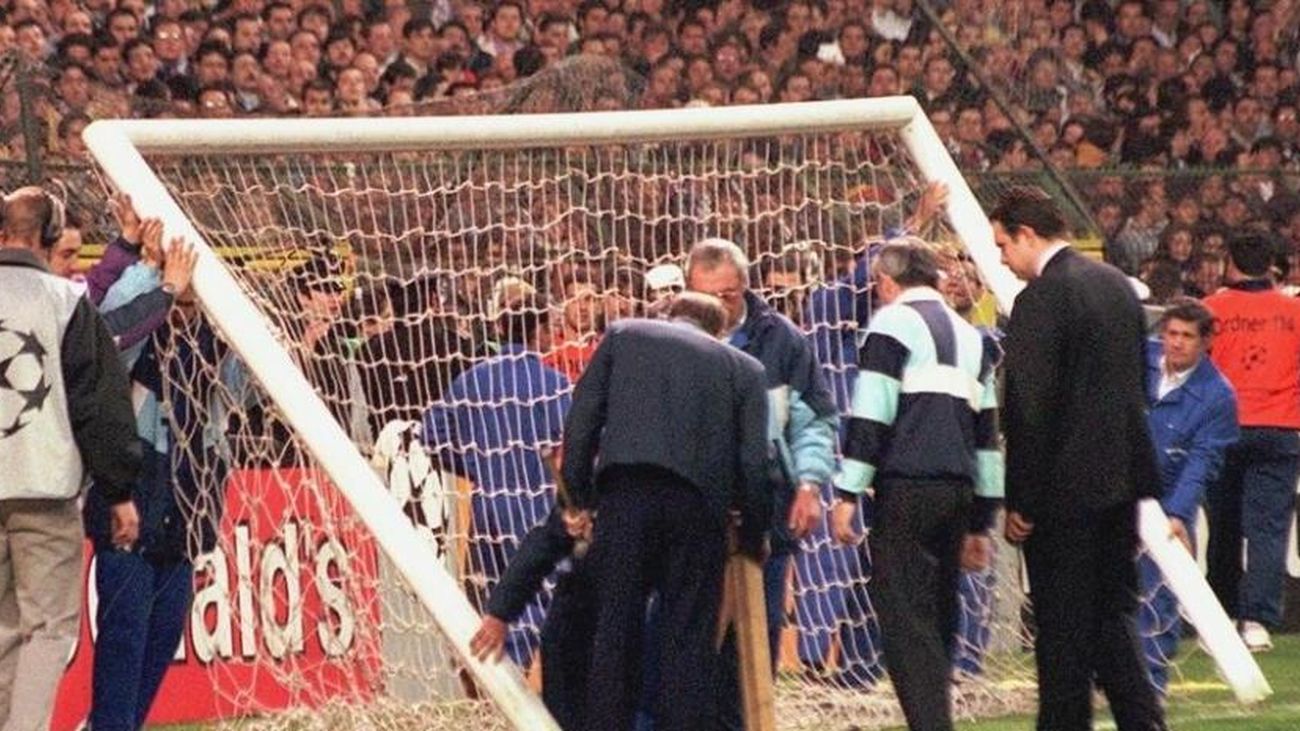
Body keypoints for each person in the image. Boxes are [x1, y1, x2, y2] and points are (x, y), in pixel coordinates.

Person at [991, 185, 1166, 731]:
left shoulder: (1041, 298)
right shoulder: (1118, 287)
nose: (1001, 257)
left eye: (1003, 244)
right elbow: (1139, 386)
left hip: (1064, 497)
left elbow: (1029, 407)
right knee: (1111, 620)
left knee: (1063, 634)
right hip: (1121, 486)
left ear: (1026, 234)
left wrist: (1021, 498)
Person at [562, 292, 772, 731]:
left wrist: (580, 498)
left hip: (625, 496)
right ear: (722, 331)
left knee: (615, 629)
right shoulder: (745, 369)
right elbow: (755, 463)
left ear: (668, 314)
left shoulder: (622, 335)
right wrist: (754, 534)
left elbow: (581, 422)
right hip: (699, 511)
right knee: (688, 639)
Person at [828, 242, 1003, 731]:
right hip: (959, 490)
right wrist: (981, 520)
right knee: (941, 613)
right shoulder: (974, 338)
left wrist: (847, 492)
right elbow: (988, 437)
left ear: (886, 282)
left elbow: (871, 415)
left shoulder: (890, 326)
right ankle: (936, 717)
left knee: (905, 620)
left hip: (907, 487)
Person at [0, 186, 140, 730]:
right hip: (44, 489)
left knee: (4, 630)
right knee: (48, 630)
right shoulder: (64, 302)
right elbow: (99, 405)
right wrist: (120, 490)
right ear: (52, 237)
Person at [685, 237, 837, 667]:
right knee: (691, 632)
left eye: (727, 295)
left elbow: (815, 422)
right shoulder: (671, 340)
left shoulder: (783, 341)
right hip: (691, 511)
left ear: (746, 286)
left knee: (760, 631)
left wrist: (809, 484)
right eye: (704, 295)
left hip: (766, 508)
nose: (716, 304)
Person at [423, 294, 571, 669]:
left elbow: (431, 436)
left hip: (488, 506)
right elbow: (575, 447)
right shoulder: (556, 385)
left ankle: (490, 692)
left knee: (490, 605)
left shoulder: (471, 380)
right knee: (538, 603)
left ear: (500, 328)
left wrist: (475, 467)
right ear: (541, 331)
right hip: (539, 509)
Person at [1201, 232, 1300, 652]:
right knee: (1268, 528)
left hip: (1224, 427)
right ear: (1270, 266)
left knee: (1222, 527)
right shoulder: (1293, 311)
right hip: (1279, 428)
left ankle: (1221, 616)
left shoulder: (1210, 310)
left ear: (1230, 264)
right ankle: (1257, 620)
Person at [1139, 297, 1238, 693]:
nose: (1176, 343)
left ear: (1205, 342)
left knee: (1158, 601)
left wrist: (1178, 512)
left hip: (1165, 505)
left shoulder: (1218, 396)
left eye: (1186, 337)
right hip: (1116, 495)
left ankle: (1151, 688)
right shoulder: (1139, 360)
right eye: (1171, 333)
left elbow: (1204, 460)